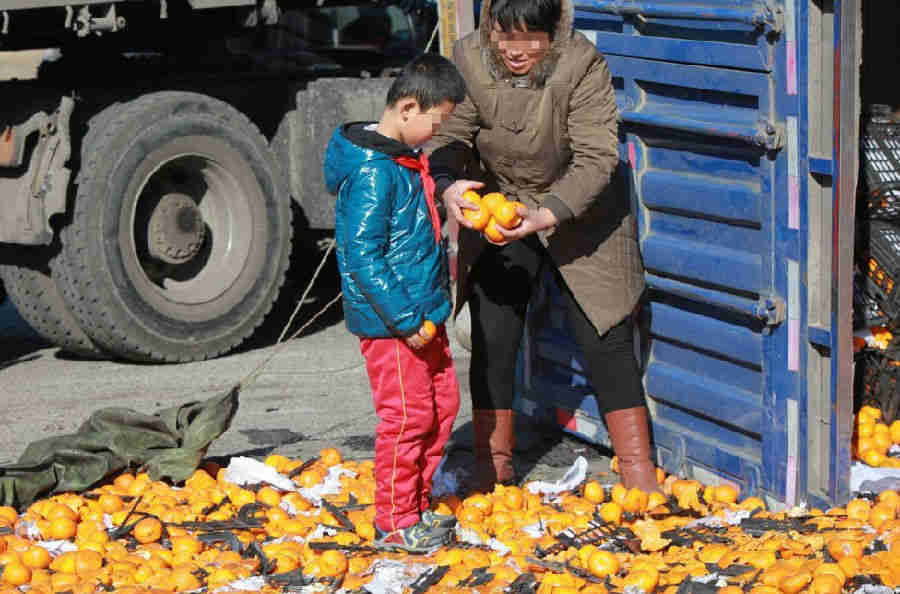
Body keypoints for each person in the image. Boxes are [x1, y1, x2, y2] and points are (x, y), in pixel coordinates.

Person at [425, 0, 660, 493]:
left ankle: (641, 481)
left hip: (580, 211)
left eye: (531, 37)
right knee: (494, 334)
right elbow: (449, 133)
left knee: (605, 334)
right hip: (501, 206)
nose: (516, 50)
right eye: (505, 35)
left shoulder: (582, 64)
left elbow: (598, 156)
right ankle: (492, 474)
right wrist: (447, 183)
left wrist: (548, 213)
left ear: (553, 31)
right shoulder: (469, 58)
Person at [323, 53, 468, 552]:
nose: (436, 132)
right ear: (408, 108)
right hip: (394, 324)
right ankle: (395, 520)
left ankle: (417, 503)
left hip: (424, 315)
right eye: (436, 121)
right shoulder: (373, 173)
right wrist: (405, 319)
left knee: (442, 407)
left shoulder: (407, 160)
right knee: (407, 418)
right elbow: (362, 255)